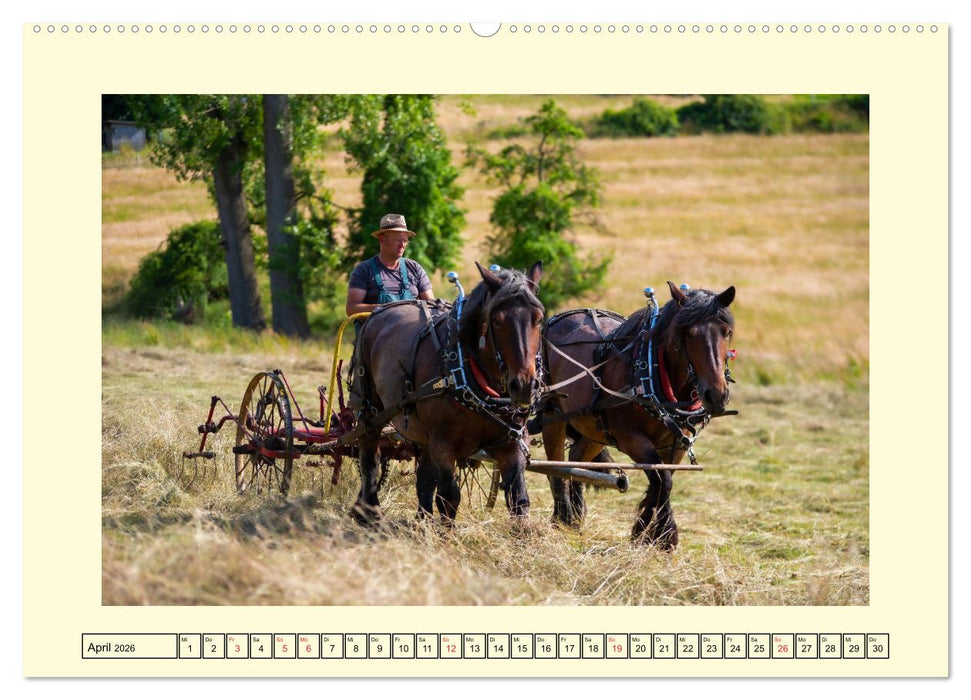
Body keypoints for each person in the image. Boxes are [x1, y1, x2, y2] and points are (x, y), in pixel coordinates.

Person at [345, 213, 435, 316]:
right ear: (382, 239)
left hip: (413, 330)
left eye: (405, 241)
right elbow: (351, 309)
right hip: (377, 331)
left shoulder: (414, 268)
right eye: (398, 240)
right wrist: (382, 309)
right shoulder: (364, 270)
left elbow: (431, 305)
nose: (402, 245)